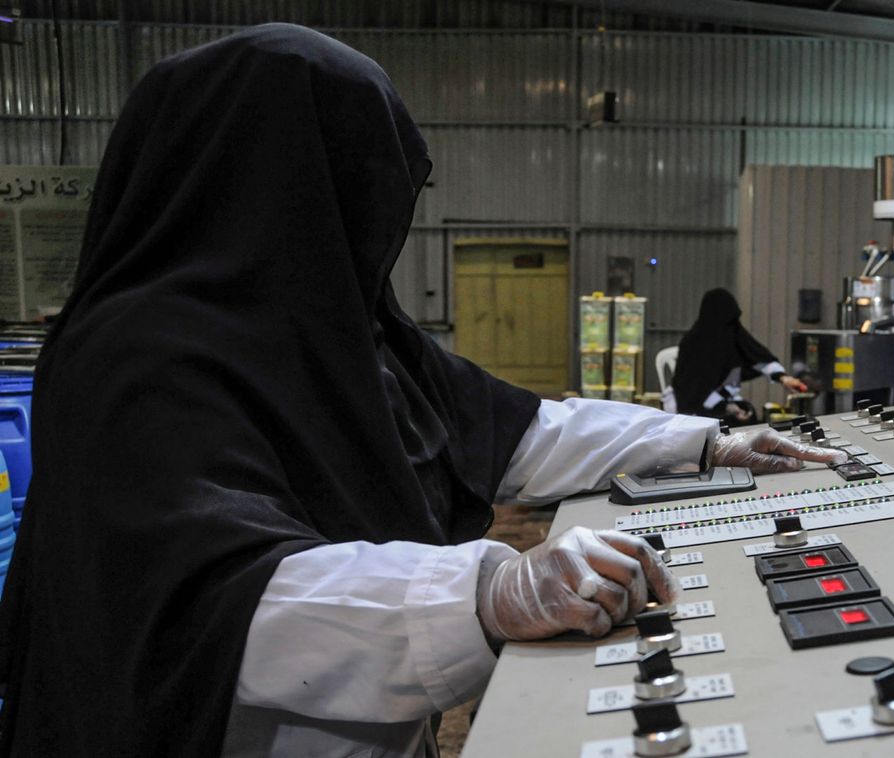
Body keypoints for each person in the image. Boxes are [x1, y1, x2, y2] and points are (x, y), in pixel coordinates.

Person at [0, 25, 846, 757]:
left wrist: (705, 444)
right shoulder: (139, 357)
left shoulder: (343, 335)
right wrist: (487, 590)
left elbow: (524, 431)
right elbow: (214, 601)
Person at [671, 288, 809, 426]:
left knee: (747, 412)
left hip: (721, 403)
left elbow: (757, 356)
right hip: (694, 412)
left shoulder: (732, 335)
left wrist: (783, 377)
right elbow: (691, 395)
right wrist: (726, 407)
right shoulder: (693, 345)